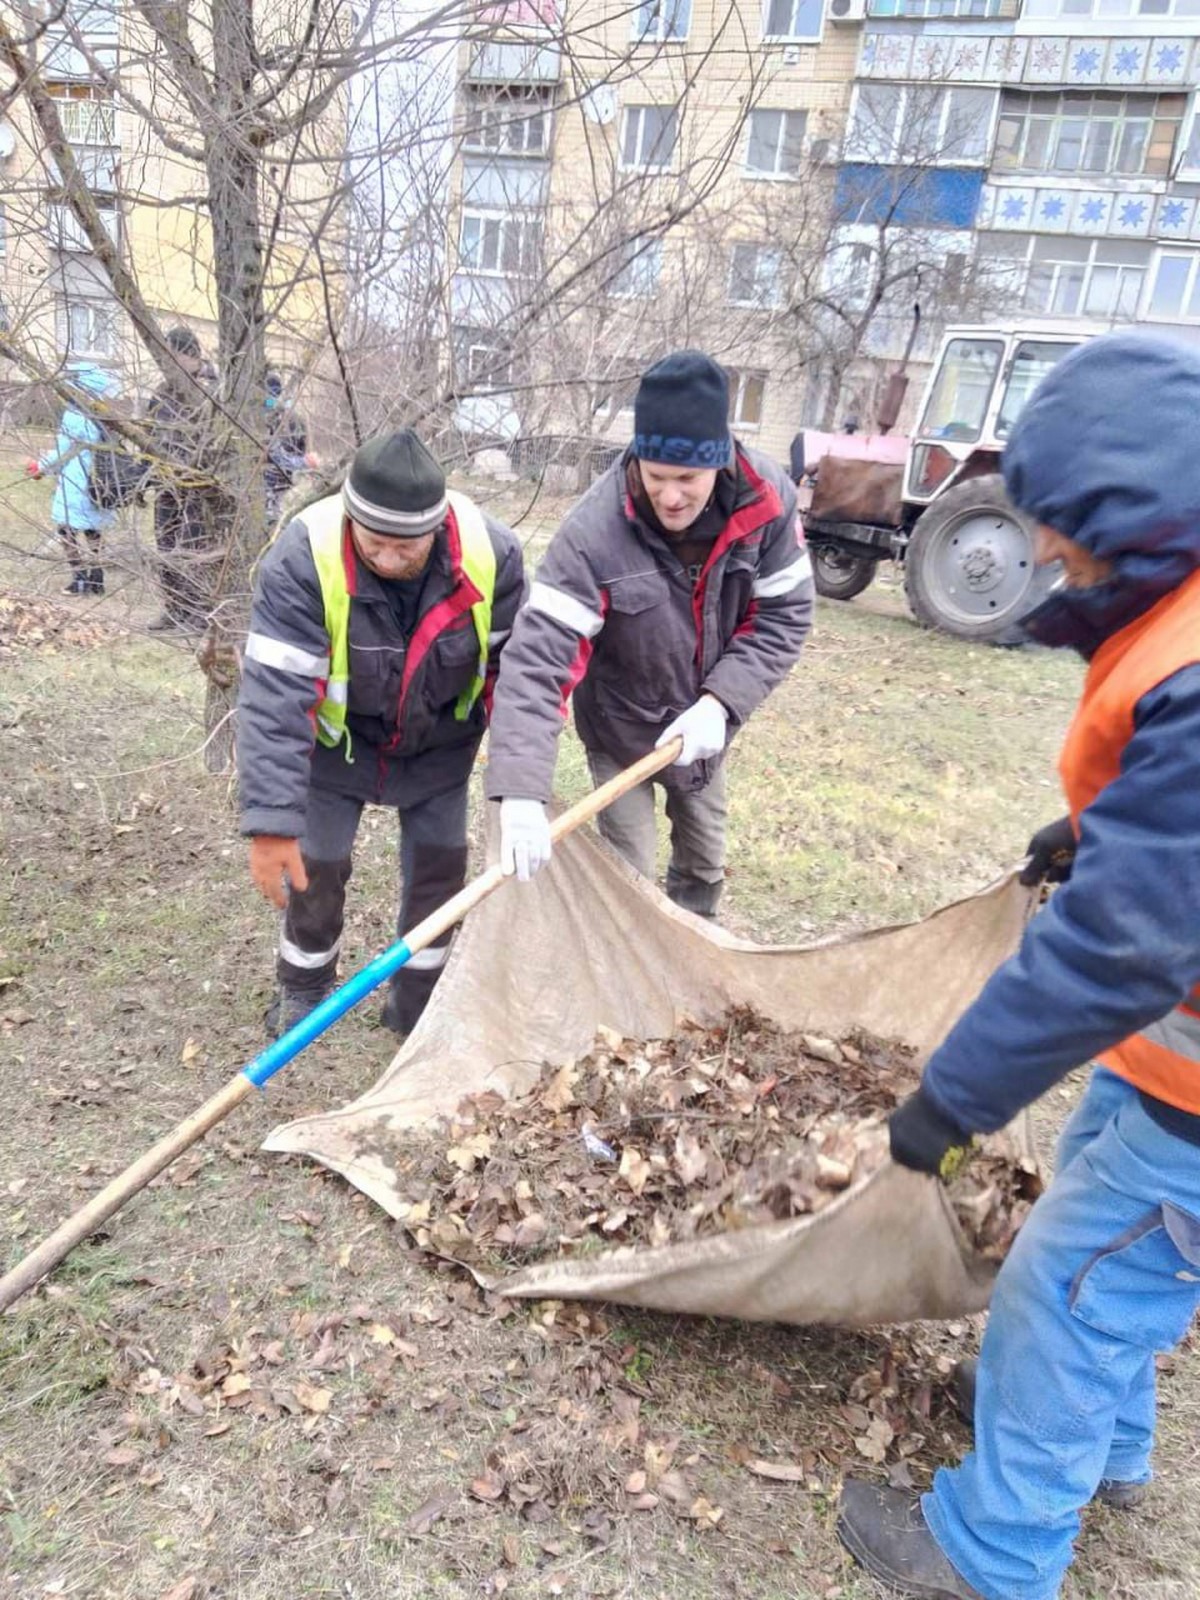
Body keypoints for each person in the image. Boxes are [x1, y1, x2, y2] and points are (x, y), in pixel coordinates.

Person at [837, 332, 1200, 1600]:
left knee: (1068, 1286)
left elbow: (1124, 945)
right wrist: (1097, 833)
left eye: (1060, 527)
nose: (1044, 551)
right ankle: (1102, 1452)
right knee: (1105, 1229)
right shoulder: (1182, 605)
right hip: (1171, 1062)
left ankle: (987, 1556)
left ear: (1130, 512)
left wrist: (952, 1104)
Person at [485, 349, 814, 917]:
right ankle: (628, 972)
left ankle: (694, 948)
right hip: (620, 729)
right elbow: (538, 662)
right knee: (627, 873)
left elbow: (785, 617)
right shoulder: (593, 533)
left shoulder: (769, 502)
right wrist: (519, 790)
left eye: (688, 479)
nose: (670, 496)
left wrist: (721, 703)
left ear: (722, 460)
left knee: (704, 861)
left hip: (702, 731)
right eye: (657, 476)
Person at [236, 428, 525, 1037]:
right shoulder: (302, 559)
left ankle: (419, 1003)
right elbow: (275, 698)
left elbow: (519, 681)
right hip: (337, 745)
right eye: (375, 543)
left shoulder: (492, 555)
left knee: (440, 868)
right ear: (349, 519)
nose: (390, 559)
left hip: (440, 745)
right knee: (316, 859)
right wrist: (271, 823)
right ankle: (305, 987)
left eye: (408, 547)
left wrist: (521, 787)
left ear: (438, 527)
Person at [26, 360, 120, 596]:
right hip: (101, 481)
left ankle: (78, 578)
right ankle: (97, 579)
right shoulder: (103, 412)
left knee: (66, 528)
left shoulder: (75, 416)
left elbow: (62, 452)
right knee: (93, 530)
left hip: (77, 481)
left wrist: (41, 467)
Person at [146, 325, 216, 633]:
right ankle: (174, 608)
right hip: (166, 482)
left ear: (189, 353)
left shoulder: (212, 389)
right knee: (167, 545)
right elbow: (149, 433)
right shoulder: (162, 391)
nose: (167, 362)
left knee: (195, 547)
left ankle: (200, 611)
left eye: (172, 355)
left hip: (198, 485)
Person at [263, 370, 317, 528]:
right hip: (266, 490)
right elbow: (275, 457)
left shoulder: (294, 422)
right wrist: (304, 462)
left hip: (282, 487)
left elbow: (299, 448)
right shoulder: (260, 421)